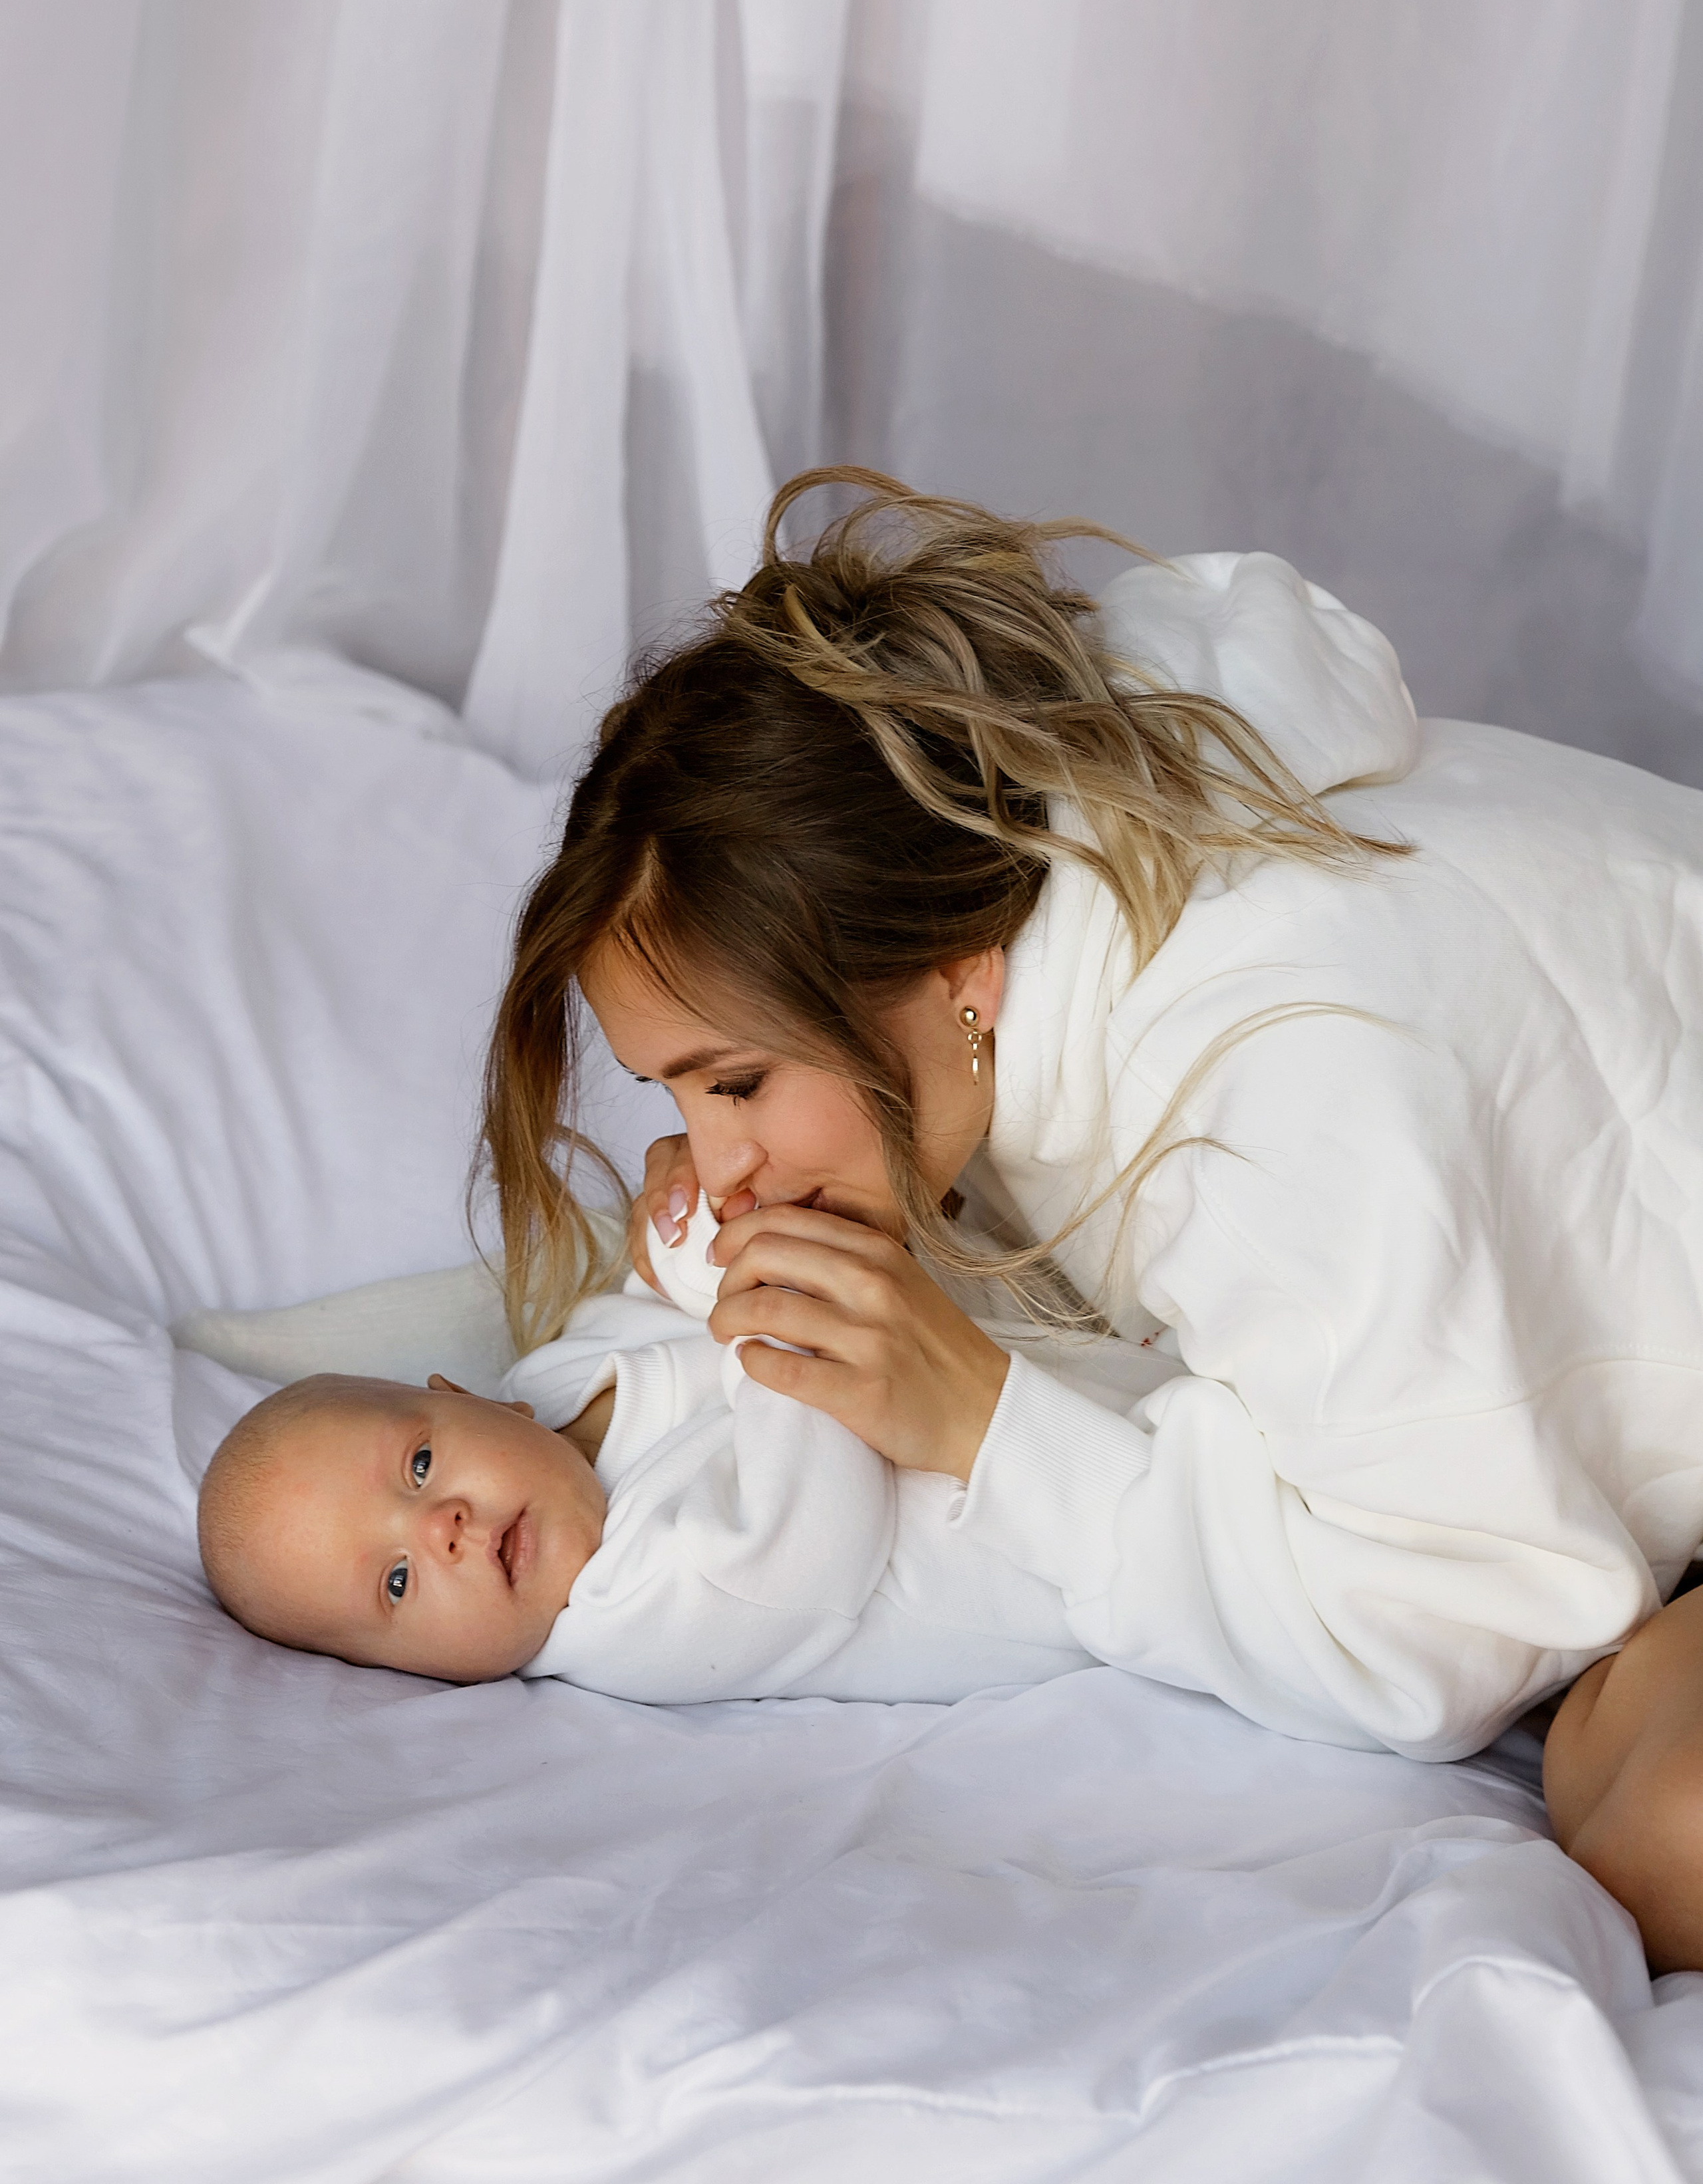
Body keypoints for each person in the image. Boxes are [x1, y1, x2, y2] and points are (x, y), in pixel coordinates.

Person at [482, 467, 1703, 1963]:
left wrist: (987, 1424)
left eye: (735, 1082)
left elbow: (1439, 1639)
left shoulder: (1274, 1073)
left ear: (956, 970)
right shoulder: (1048, 858)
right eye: (675, 1097)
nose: (714, 1164)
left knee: (1666, 1837)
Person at [195, 1198, 1169, 1697]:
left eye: (418, 1467)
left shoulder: (561, 1374)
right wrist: (763, 1302)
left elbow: (666, 1285)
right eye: (398, 1584)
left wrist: (688, 1231)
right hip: (1108, 1540)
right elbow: (812, 1529)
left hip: (1078, 1379)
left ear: (465, 1398)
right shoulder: (629, 1613)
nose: (440, 1528)